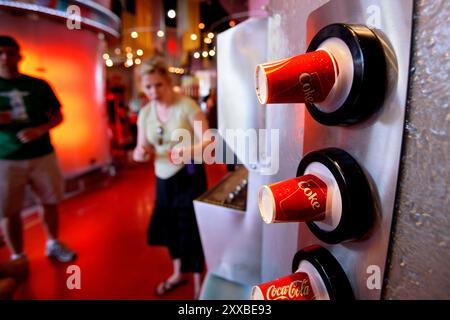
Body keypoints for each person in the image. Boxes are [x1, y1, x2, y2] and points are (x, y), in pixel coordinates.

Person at [133, 57, 210, 299]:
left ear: (167, 82)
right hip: (163, 178)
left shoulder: (186, 106)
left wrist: (185, 151)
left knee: (191, 227)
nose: (153, 91)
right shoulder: (145, 114)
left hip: (189, 173)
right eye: (148, 87)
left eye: (158, 85)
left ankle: (199, 282)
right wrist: (139, 153)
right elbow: (140, 150)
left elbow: (209, 142)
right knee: (169, 227)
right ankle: (178, 273)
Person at [0, 36, 76, 263]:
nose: (5, 57)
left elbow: (59, 115)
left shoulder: (38, 85)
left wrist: (40, 130)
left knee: (50, 201)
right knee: (9, 209)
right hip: (5, 158)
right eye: (0, 52)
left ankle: (53, 242)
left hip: (42, 154)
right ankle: (18, 256)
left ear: (19, 56)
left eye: (10, 52)